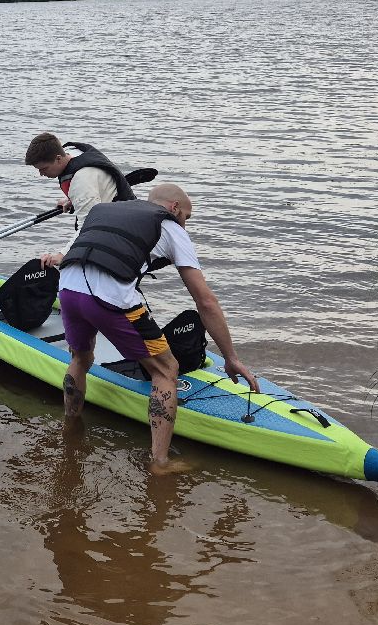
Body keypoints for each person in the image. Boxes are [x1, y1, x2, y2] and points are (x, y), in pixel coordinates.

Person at [38, 183, 259, 474]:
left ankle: (71, 425)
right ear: (175, 208)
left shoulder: (103, 210)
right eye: (187, 218)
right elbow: (205, 300)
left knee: (81, 358)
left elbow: (74, 255)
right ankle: (160, 462)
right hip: (110, 297)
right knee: (166, 369)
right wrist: (231, 357)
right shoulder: (170, 226)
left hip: (67, 288)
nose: (185, 225)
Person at [24, 134, 136, 221]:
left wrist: (62, 252)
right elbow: (95, 189)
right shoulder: (72, 151)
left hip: (123, 224)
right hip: (118, 209)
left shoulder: (82, 178)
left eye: (44, 169)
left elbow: (89, 224)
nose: (41, 174)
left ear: (58, 159)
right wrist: (74, 199)